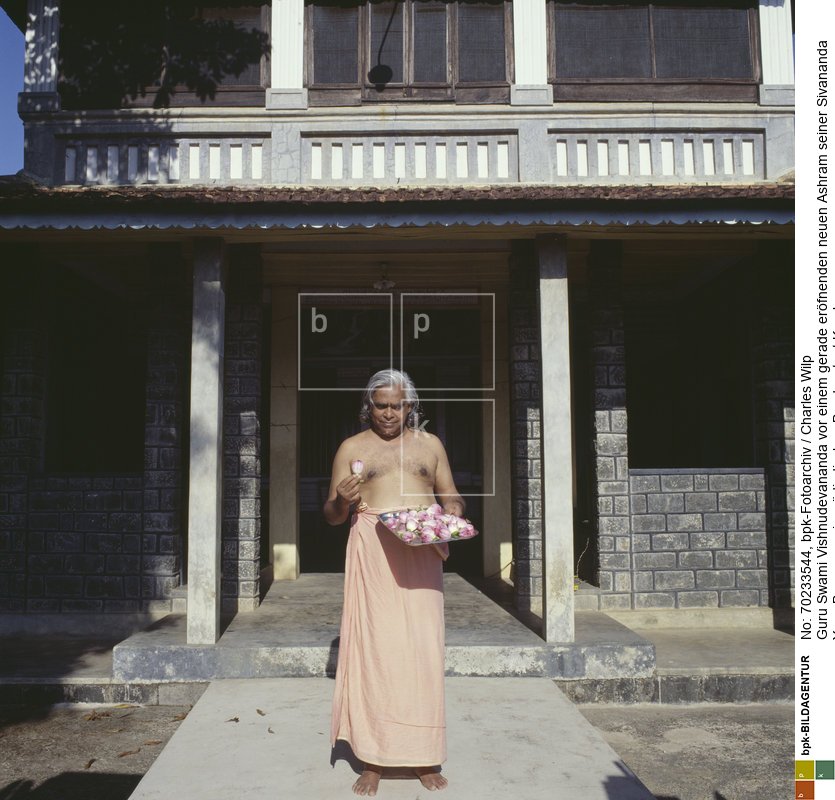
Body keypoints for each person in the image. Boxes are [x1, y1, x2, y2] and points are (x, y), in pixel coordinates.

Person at [324, 369, 465, 796]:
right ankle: (373, 758)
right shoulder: (352, 448)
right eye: (381, 405)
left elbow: (451, 495)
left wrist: (453, 514)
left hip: (422, 548)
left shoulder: (430, 445)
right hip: (373, 552)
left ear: (411, 406)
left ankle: (423, 755)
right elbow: (331, 515)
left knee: (423, 649)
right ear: (368, 406)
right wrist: (342, 500)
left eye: (397, 405)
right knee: (376, 652)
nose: (388, 413)